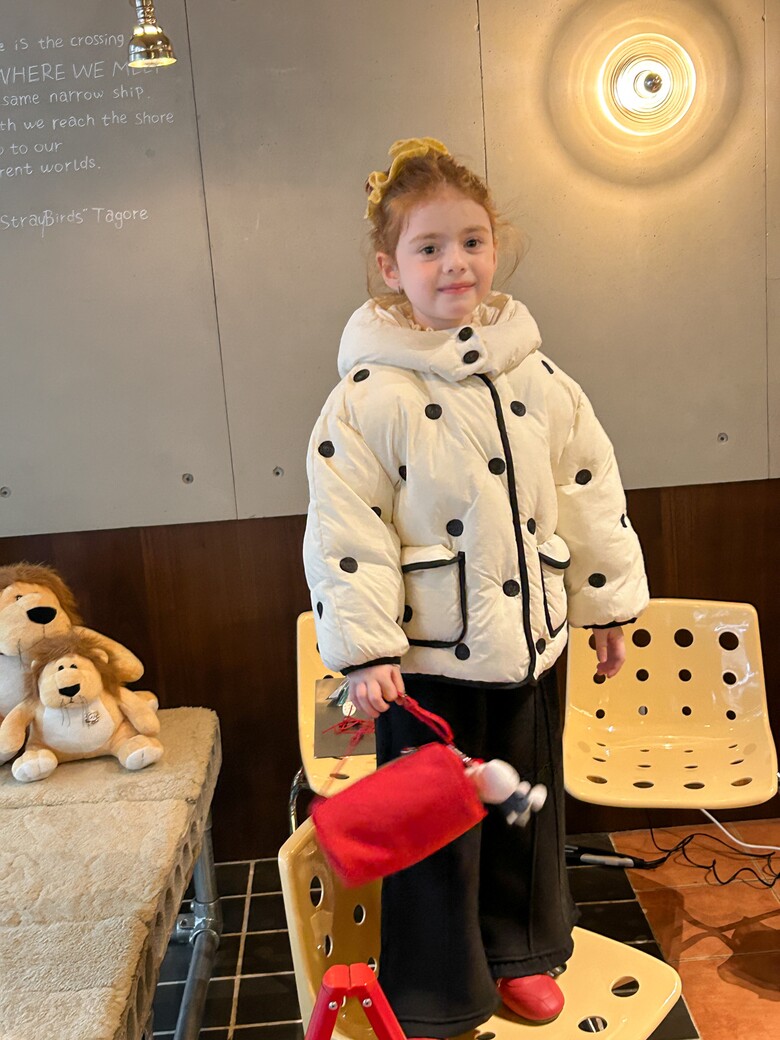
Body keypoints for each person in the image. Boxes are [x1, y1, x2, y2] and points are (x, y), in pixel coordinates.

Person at [303, 137, 648, 1039]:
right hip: (424, 663)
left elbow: (587, 487)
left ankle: (522, 953)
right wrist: (366, 651)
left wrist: (606, 606)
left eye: (472, 241)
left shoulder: (540, 376)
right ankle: (437, 989)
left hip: (530, 644)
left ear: (495, 248)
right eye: (429, 247)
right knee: (436, 829)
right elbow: (346, 532)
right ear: (391, 268)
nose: (455, 262)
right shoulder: (365, 396)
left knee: (527, 808)